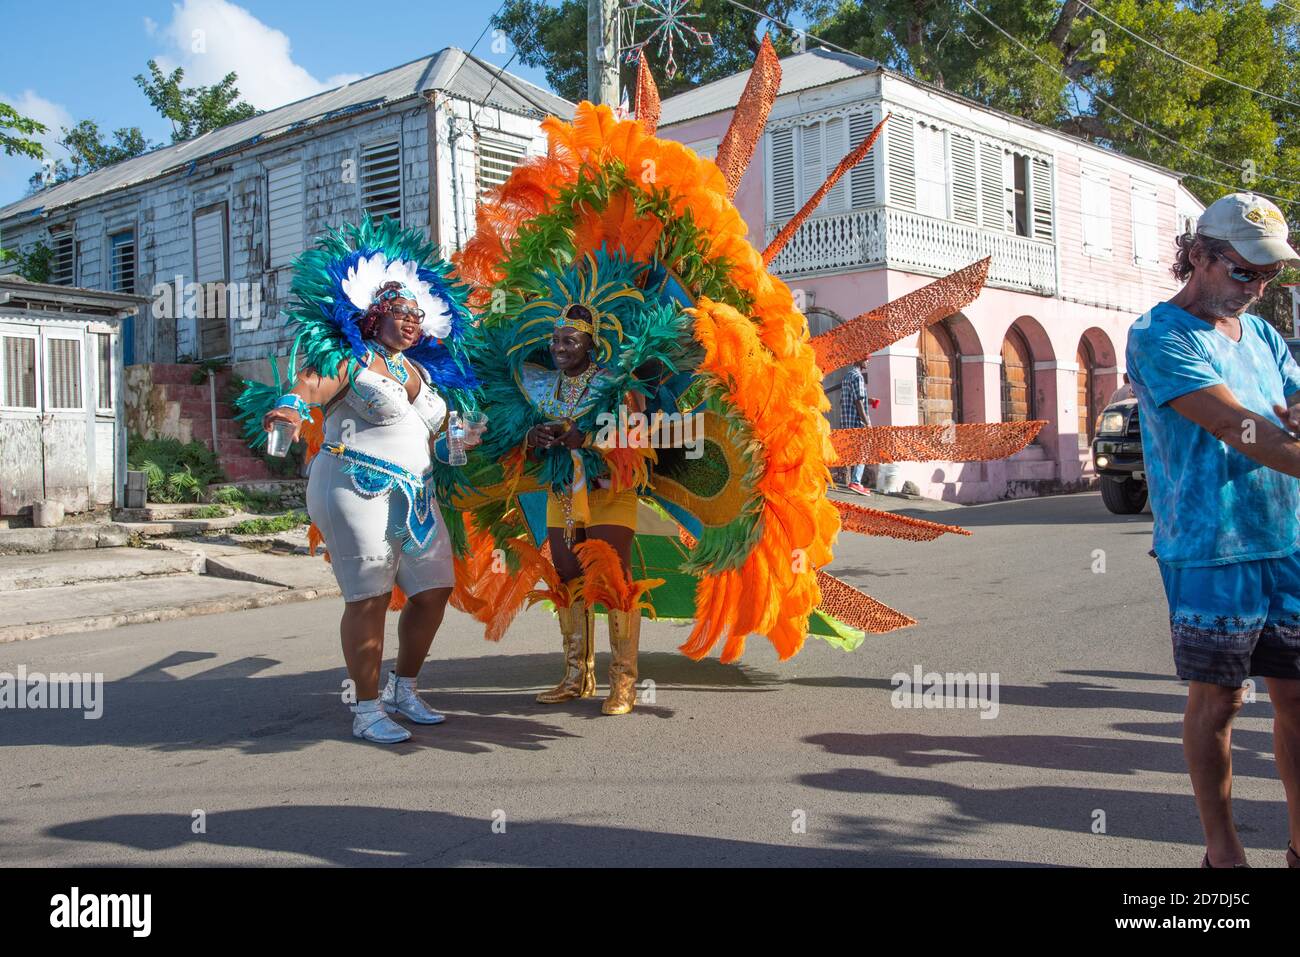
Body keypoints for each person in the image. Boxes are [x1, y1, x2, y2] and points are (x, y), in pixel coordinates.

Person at [244, 217, 482, 744]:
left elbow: (440, 443)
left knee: (434, 590)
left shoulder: (419, 374)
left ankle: (404, 687)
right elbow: (307, 384)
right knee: (369, 595)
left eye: (418, 315)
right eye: (401, 313)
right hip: (355, 484)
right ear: (374, 317)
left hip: (417, 493)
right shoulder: (351, 359)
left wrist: (463, 440)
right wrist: (288, 407)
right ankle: (367, 706)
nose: (412, 321)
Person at [1126, 192, 1300, 868]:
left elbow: (1288, 401)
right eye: (1243, 272)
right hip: (1210, 547)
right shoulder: (1159, 335)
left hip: (1286, 536)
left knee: (1296, 696)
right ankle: (1222, 851)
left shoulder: (1260, 334)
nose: (1255, 288)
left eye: (1269, 275)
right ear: (1197, 255)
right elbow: (1237, 425)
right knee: (1221, 700)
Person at [838, 359, 873, 495]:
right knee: (863, 450)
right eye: (866, 358)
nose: (868, 361)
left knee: (853, 451)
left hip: (846, 420)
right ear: (858, 359)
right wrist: (867, 422)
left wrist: (869, 401)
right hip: (856, 421)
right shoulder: (858, 377)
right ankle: (856, 481)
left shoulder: (847, 376)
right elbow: (858, 401)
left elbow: (850, 398)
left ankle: (850, 480)